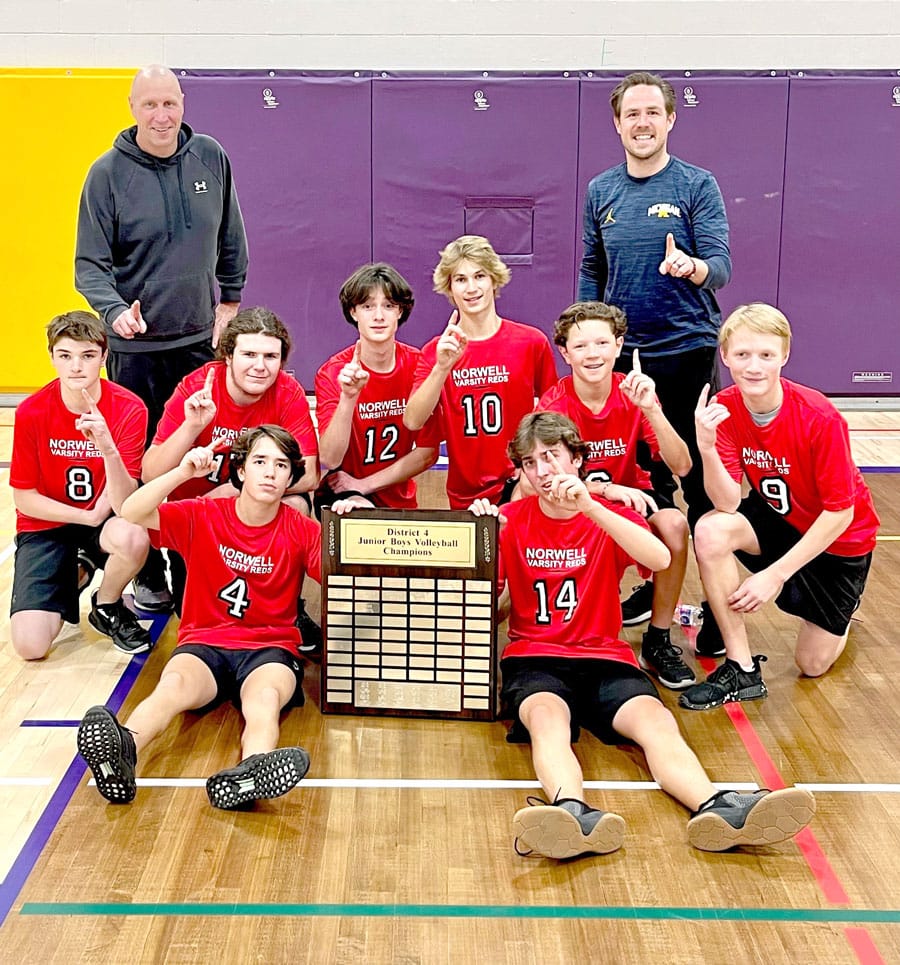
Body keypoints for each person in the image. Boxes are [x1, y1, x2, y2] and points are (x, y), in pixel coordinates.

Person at [468, 411, 814, 858]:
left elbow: (660, 558)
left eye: (551, 456)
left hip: (605, 657)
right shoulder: (510, 520)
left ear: (576, 459)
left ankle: (717, 806)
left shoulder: (606, 515)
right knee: (547, 723)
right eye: (530, 463)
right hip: (536, 657)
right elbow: (486, 609)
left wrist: (591, 505)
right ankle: (570, 813)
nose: (542, 471)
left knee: (657, 724)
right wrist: (480, 540)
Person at [75, 64, 249, 611]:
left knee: (198, 461)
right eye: (149, 104)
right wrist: (112, 311)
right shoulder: (106, 175)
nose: (160, 115)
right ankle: (149, 571)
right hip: (136, 353)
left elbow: (231, 235)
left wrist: (229, 300)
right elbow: (89, 265)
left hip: (198, 345)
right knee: (141, 466)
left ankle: (195, 565)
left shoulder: (211, 157)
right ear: (132, 108)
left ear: (183, 103)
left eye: (169, 103)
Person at [77, 426, 317, 810]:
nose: (270, 472)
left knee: (265, 700)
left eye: (281, 465)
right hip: (205, 641)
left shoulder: (302, 530)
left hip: (269, 648)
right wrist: (182, 472)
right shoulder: (203, 514)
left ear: (291, 478)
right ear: (241, 470)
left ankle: (251, 772)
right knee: (172, 686)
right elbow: (131, 512)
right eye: (260, 461)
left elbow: (343, 574)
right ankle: (122, 750)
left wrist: (347, 529)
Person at [577, 71, 731, 641]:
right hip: (626, 359)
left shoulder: (697, 184)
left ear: (670, 119)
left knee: (702, 482)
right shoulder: (601, 190)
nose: (641, 123)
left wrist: (692, 267)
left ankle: (717, 606)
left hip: (687, 350)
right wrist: (585, 328)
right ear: (617, 124)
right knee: (650, 483)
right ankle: (656, 585)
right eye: (631, 114)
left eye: (651, 113)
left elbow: (721, 265)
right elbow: (592, 267)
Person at [679, 304, 880, 711]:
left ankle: (841, 614)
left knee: (812, 664)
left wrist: (774, 575)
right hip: (780, 518)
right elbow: (727, 502)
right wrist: (706, 447)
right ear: (725, 356)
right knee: (711, 529)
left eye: (766, 355)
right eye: (742, 354)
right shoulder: (725, 407)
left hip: (838, 540)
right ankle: (741, 669)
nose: (754, 366)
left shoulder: (819, 416)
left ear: (784, 355)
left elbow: (840, 513)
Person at [141, 308, 321, 650]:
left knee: (296, 504)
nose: (260, 366)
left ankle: (289, 608)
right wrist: (191, 427)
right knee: (191, 614)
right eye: (249, 354)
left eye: (270, 356)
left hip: (256, 512)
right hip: (200, 519)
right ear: (227, 356)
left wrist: (238, 491)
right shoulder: (196, 388)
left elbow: (309, 473)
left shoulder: (287, 392)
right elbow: (150, 473)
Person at [537, 301, 695, 689]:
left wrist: (652, 410)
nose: (592, 354)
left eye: (602, 343)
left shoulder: (633, 393)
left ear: (619, 345)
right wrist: (605, 489)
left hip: (631, 498)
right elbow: (547, 482)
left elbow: (682, 465)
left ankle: (658, 639)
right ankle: (573, 636)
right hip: (575, 506)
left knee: (674, 524)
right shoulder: (554, 406)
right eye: (580, 346)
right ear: (565, 353)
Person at [9, 311, 151, 659]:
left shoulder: (130, 408)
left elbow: (126, 501)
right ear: (51, 357)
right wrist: (85, 517)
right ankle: (80, 569)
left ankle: (107, 606)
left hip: (105, 519)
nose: (76, 367)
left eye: (87, 355)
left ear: (104, 357)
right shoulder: (31, 411)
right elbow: (25, 499)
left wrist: (107, 447)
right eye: (65, 355)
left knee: (134, 535)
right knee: (31, 647)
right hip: (47, 525)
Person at [404, 235, 558, 509]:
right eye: (460, 279)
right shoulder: (436, 351)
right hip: (465, 491)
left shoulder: (531, 342)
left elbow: (554, 420)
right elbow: (413, 421)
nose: (471, 288)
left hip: (519, 484)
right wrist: (442, 367)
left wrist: (531, 471)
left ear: (494, 280)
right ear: (449, 288)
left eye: (479, 276)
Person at [315, 263, 440, 510]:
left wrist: (366, 484)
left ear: (400, 311)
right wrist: (348, 397)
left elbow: (428, 453)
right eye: (368, 306)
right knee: (363, 515)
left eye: (389, 306)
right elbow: (330, 458)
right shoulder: (333, 372)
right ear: (353, 312)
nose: (379, 316)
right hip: (345, 493)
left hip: (393, 495)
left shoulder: (418, 366)